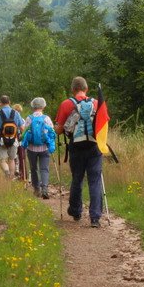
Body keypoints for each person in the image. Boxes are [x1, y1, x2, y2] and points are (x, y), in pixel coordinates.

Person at [55, 77, 103, 227]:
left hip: (76, 147)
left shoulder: (66, 104)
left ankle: (76, 211)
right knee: (94, 181)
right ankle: (95, 218)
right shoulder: (96, 103)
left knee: (77, 179)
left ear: (72, 89)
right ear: (86, 88)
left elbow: (59, 129)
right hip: (94, 146)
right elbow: (104, 123)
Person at [21, 97, 56, 199]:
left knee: (34, 168)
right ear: (43, 106)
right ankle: (45, 188)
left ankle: (36, 189)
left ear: (33, 106)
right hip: (44, 148)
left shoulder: (29, 118)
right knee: (44, 169)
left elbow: (25, 131)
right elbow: (51, 131)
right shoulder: (46, 118)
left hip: (31, 148)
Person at [0, 95, 25, 178]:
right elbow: (22, 127)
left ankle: (6, 171)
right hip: (13, 139)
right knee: (11, 159)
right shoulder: (15, 113)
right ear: (9, 102)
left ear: (0, 103)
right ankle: (11, 178)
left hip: (1, 140)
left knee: (2, 160)